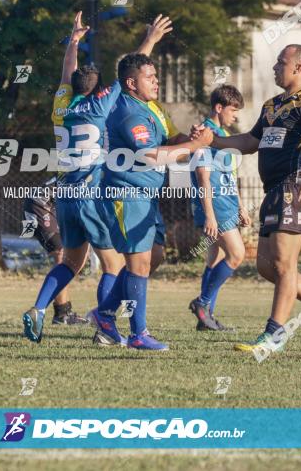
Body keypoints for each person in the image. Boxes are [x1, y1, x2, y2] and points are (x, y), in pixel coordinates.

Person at [21, 12, 172, 343]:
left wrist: (73, 42)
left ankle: (39, 308)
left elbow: (67, 74)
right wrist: (150, 40)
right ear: (98, 91)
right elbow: (129, 73)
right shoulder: (101, 107)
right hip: (90, 192)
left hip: (64, 192)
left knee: (71, 262)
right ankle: (106, 323)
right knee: (113, 265)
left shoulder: (62, 106)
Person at [192, 44, 301, 357]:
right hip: (274, 191)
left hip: (297, 188)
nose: (275, 67)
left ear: (298, 68)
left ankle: (274, 335)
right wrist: (215, 141)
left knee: (285, 266)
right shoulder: (272, 105)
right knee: (266, 267)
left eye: (281, 62)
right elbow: (250, 141)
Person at [89, 52, 213, 351]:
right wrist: (196, 145)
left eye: (156, 76)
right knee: (139, 262)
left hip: (146, 195)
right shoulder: (128, 112)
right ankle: (137, 333)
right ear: (131, 83)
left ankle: (104, 314)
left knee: (153, 257)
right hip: (126, 194)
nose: (157, 81)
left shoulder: (151, 107)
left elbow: (170, 140)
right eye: (150, 77)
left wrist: (190, 137)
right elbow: (150, 154)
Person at [189, 85, 250, 331]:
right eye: (233, 110)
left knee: (215, 260)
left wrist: (241, 206)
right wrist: (210, 216)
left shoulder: (222, 136)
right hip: (215, 207)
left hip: (227, 205)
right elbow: (203, 177)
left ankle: (206, 319)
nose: (235, 116)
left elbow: (230, 176)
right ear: (219, 108)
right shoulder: (204, 134)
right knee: (237, 255)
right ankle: (202, 303)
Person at [22, 177, 87, 325]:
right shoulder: (95, 169)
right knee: (62, 254)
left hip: (51, 206)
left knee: (69, 258)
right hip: (40, 205)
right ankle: (62, 314)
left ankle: (63, 311)